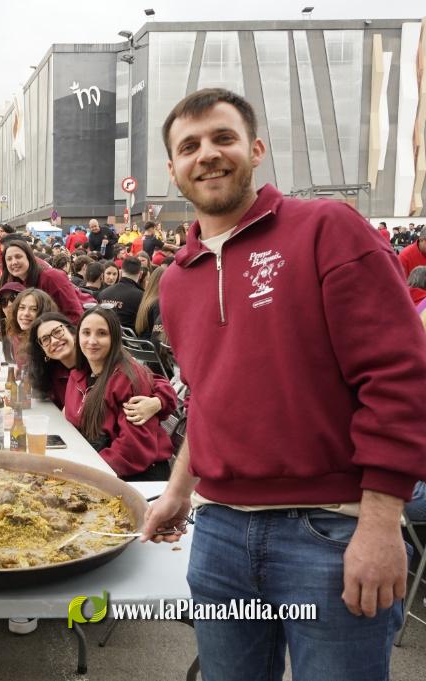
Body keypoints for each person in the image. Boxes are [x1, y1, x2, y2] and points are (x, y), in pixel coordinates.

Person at [143, 88, 426, 680]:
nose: (208, 155)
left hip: (329, 529)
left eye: (223, 138)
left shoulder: (326, 228)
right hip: (219, 530)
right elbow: (209, 396)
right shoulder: (175, 281)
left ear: (256, 148)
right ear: (173, 170)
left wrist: (379, 524)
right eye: (189, 146)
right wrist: (176, 489)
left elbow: (399, 378)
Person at [64, 307, 175, 480]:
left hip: (137, 476)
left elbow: (132, 450)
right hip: (101, 464)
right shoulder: (80, 375)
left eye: (102, 333)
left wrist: (85, 471)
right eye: (86, 332)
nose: (92, 341)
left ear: (115, 338)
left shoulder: (126, 378)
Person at [1, 239, 93, 324]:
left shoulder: (52, 277)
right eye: (9, 259)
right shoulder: (14, 283)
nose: (14, 262)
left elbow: (76, 315)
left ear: (29, 257)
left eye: (18, 257)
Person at [6, 288, 56, 369]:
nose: (26, 313)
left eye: (34, 309)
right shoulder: (18, 336)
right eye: (22, 308)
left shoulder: (49, 342)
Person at [97, 256, 144, 334]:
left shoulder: (103, 293)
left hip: (105, 336)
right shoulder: (142, 296)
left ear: (121, 272)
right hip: (129, 343)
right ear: (141, 274)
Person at [134, 265, 167, 342]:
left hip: (141, 346)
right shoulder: (157, 302)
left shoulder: (147, 299)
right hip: (149, 349)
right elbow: (157, 335)